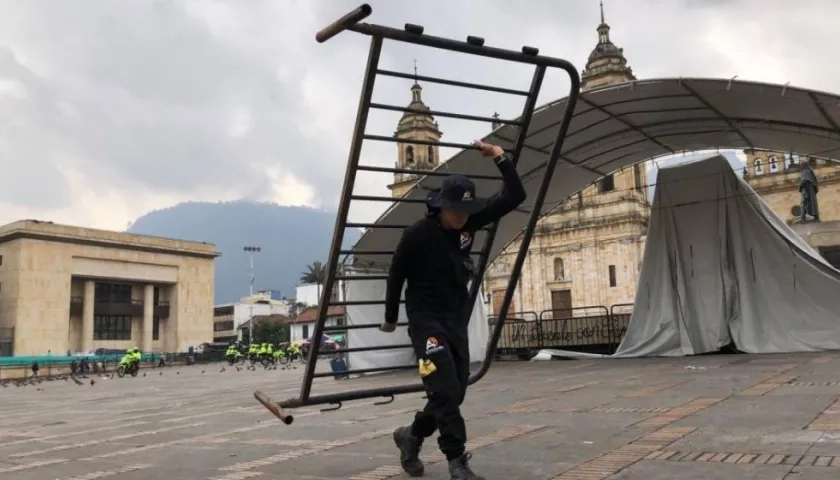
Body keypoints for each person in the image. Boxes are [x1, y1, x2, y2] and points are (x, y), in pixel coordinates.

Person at [380, 140, 526, 480]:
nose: (461, 218)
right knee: (444, 389)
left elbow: (515, 196)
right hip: (425, 319)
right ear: (441, 207)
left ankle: (411, 435)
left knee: (455, 390)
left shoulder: (470, 223)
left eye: (466, 212)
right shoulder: (417, 235)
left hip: (454, 317)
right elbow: (396, 274)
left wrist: (501, 158)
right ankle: (457, 460)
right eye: (455, 212)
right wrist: (390, 317)